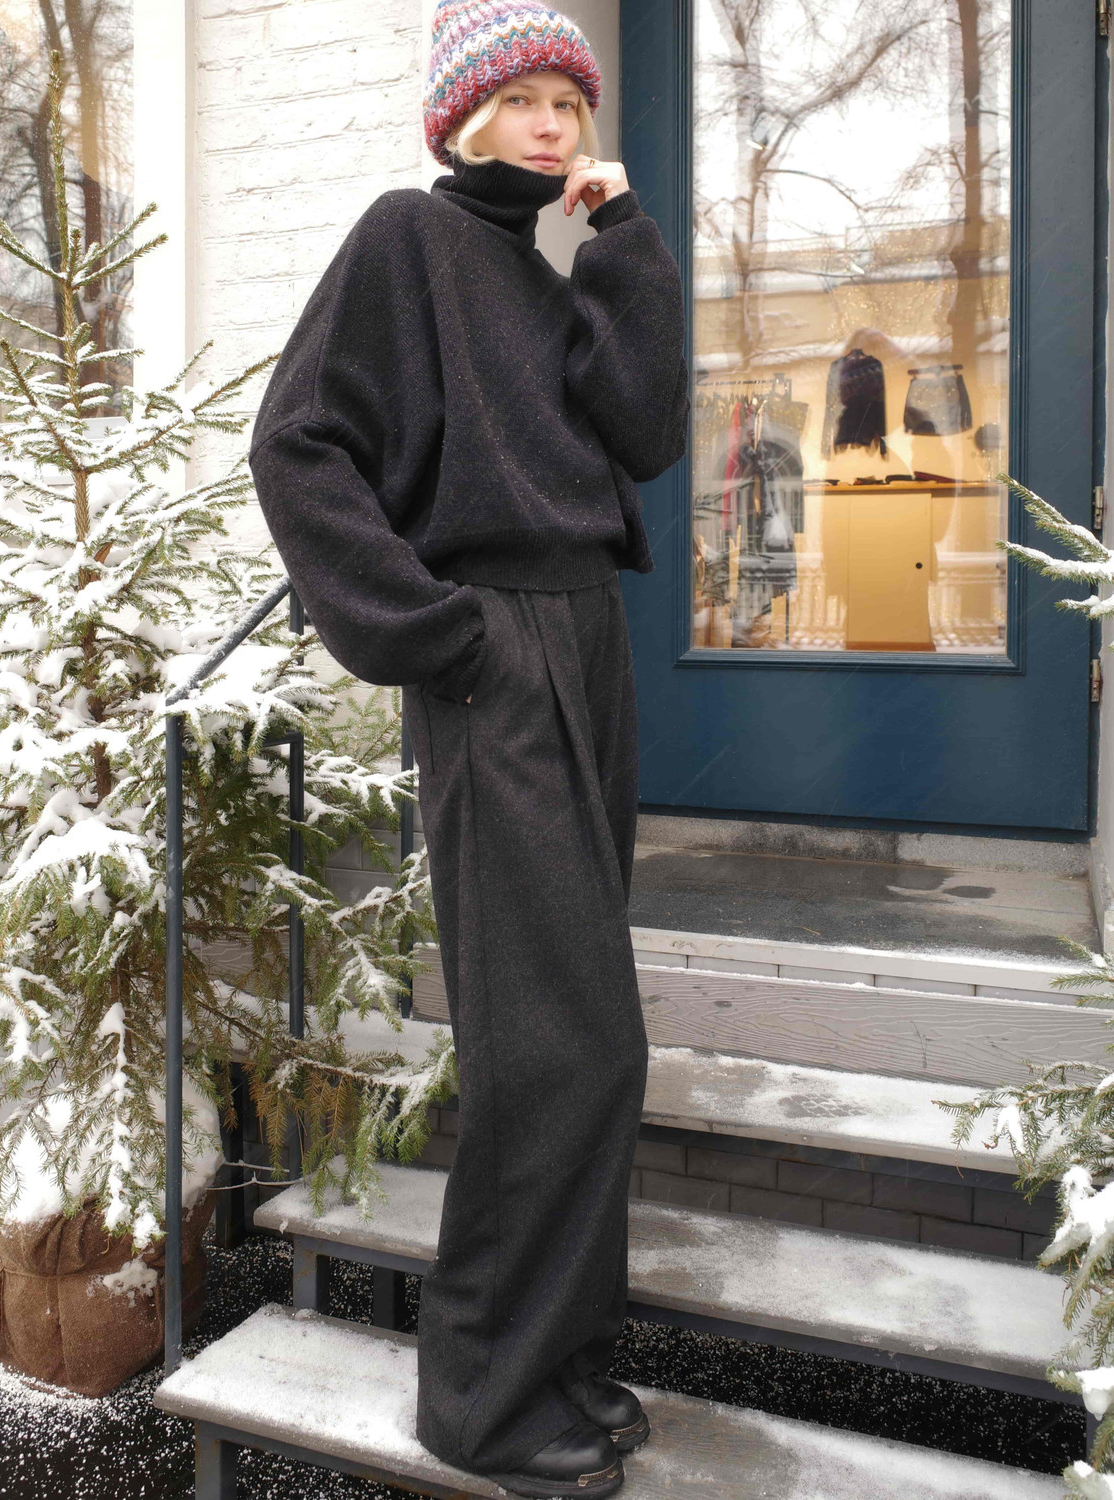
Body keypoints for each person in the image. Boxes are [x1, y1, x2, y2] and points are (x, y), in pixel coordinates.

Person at [248, 4, 689, 1495]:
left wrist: (621, 239)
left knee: (586, 1041)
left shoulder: (552, 270)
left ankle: (554, 1354)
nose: (554, 122)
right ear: (461, 118)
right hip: (491, 653)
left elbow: (646, 431)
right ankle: (486, 1399)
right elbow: (297, 444)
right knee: (558, 1044)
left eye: (571, 99)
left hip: (588, 648)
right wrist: (432, 634)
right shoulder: (406, 239)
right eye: (524, 98)